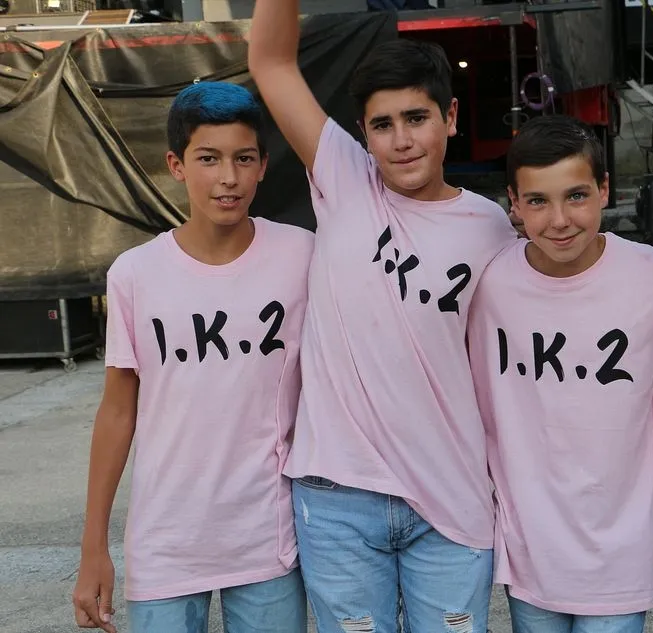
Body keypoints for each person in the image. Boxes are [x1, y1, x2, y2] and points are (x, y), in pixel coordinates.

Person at [248, 5, 518, 633]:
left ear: (451, 117)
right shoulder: (345, 178)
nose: (401, 140)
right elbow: (271, 61)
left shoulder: (491, 228)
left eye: (417, 118)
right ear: (362, 135)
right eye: (382, 124)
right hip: (338, 497)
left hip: (451, 501)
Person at [71, 81, 312, 633]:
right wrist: (93, 546)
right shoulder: (135, 274)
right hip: (166, 542)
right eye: (208, 158)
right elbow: (117, 412)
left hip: (268, 540)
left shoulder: (301, 255)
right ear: (176, 165)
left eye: (243, 158)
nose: (228, 177)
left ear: (263, 166)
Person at [467, 114, 653, 633]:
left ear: (604, 189)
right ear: (514, 204)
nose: (560, 219)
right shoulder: (488, 283)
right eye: (538, 201)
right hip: (531, 549)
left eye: (577, 196)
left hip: (620, 549)